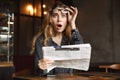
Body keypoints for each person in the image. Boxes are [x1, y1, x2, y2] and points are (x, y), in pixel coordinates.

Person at [31, 0, 83, 76]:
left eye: (63, 16)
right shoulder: (41, 40)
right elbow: (37, 71)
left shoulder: (70, 38)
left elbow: (80, 51)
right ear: (50, 19)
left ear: (67, 20)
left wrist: (72, 23)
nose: (59, 19)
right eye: (55, 15)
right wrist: (41, 68)